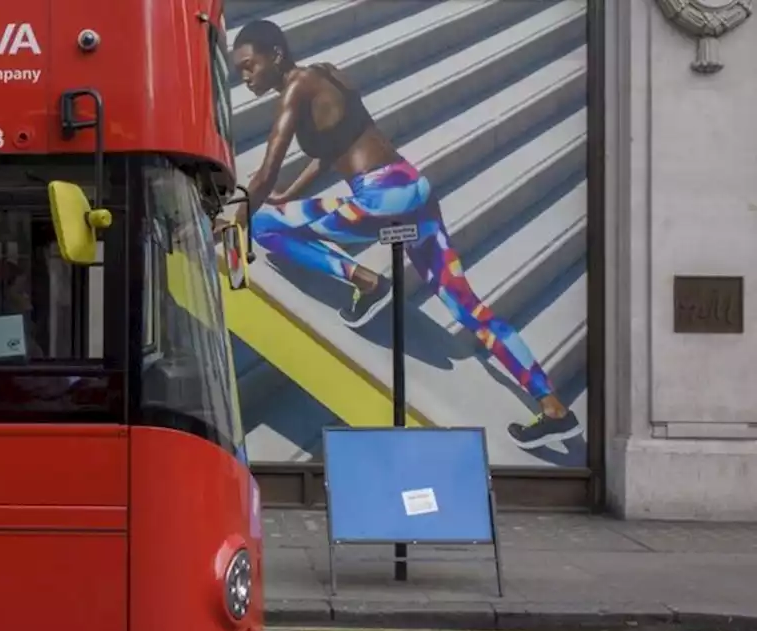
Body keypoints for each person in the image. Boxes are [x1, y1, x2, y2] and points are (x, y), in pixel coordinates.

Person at [232, 19, 580, 450]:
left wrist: (241, 214)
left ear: (276, 55)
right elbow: (329, 153)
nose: (245, 78)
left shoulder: (295, 89)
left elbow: (265, 170)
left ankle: (367, 283)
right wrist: (288, 194)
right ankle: (553, 408)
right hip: (412, 187)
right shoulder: (326, 73)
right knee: (467, 306)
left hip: (382, 199)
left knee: (265, 227)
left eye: (249, 66)